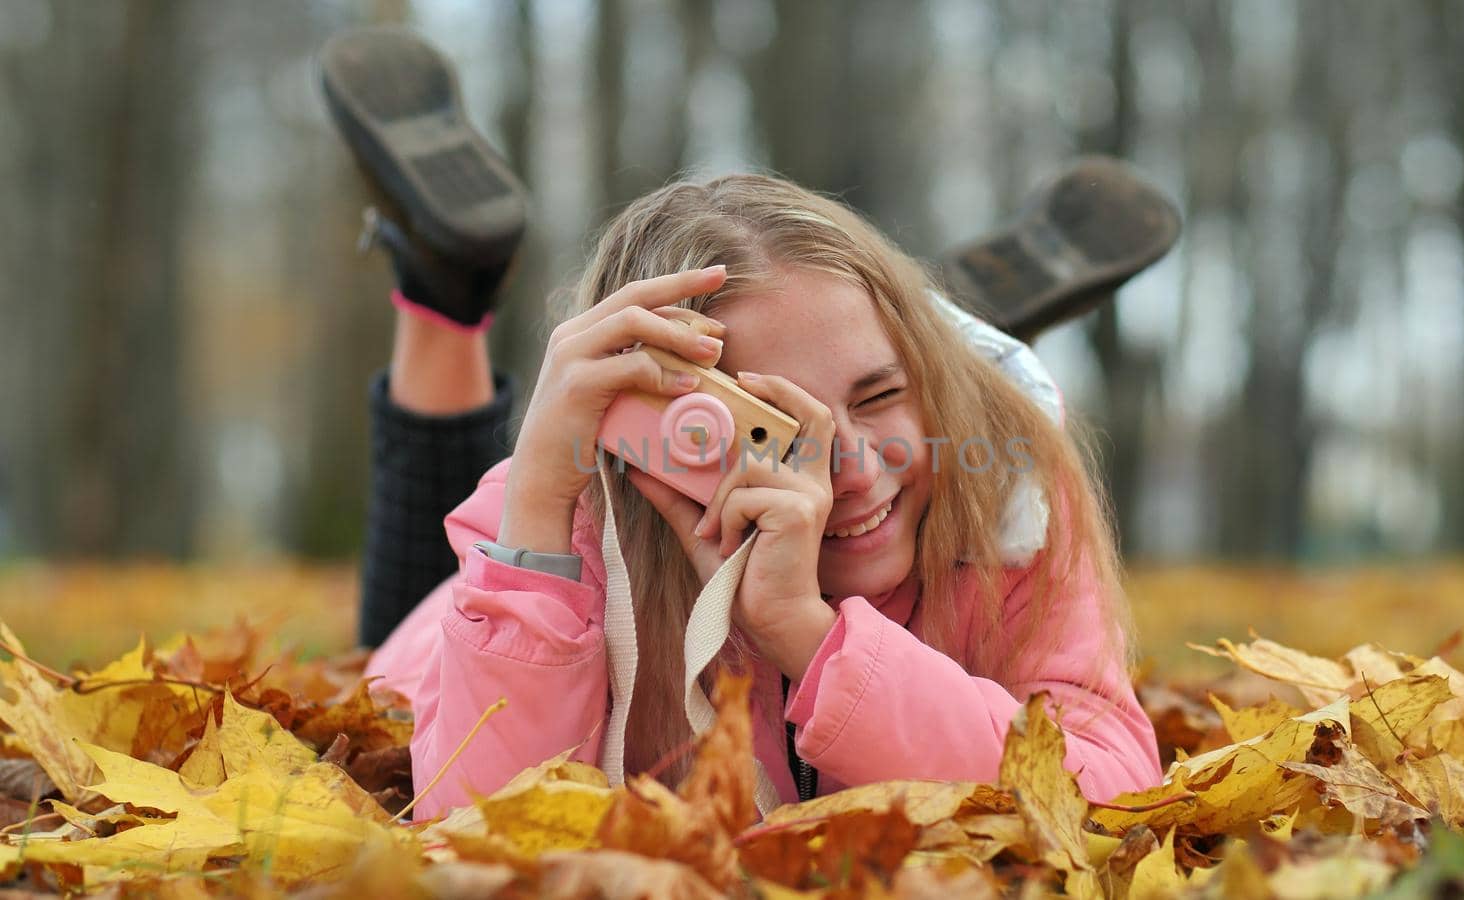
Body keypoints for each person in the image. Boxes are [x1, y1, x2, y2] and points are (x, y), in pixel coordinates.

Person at [321, 27, 1169, 820]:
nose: (859, 470)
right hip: (438, 648)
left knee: (919, 377)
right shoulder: (582, 521)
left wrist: (807, 634)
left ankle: (931, 330)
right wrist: (542, 487)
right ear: (669, 437)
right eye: (782, 427)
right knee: (420, 598)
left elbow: (1103, 791)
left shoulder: (1004, 492)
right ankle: (445, 291)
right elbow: (481, 823)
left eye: (879, 396)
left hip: (937, 407)